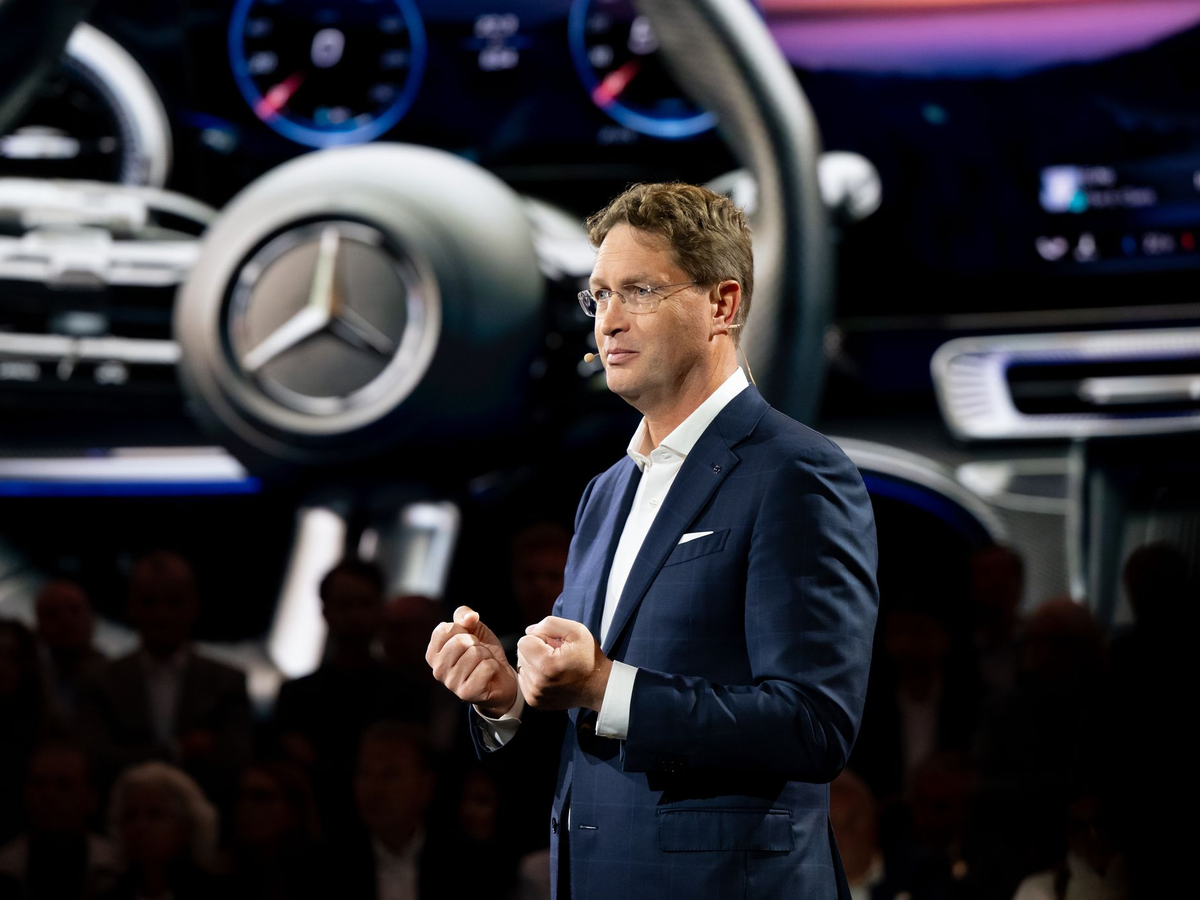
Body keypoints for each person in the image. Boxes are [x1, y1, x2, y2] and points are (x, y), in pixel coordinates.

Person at [426, 182, 880, 898]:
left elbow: (813, 725)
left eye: (638, 291)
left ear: (722, 305)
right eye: (599, 296)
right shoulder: (605, 493)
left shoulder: (796, 474)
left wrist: (604, 684)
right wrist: (508, 698)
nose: (608, 322)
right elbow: (594, 727)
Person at [76, 552, 252, 802]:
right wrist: (178, 750)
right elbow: (95, 760)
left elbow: (235, 765)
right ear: (131, 606)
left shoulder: (228, 682)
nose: (162, 614)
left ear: (194, 605)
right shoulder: (98, 680)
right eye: (150, 602)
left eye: (174, 602)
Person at [0, 742, 118, 900]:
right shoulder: (6, 869)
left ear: (91, 797)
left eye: (64, 785)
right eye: (39, 783)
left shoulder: (116, 869)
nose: (49, 795)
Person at [34, 579, 107, 729]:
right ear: (39, 627)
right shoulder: (29, 682)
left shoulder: (118, 679)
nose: (67, 622)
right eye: (53, 614)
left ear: (92, 619)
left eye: (75, 610)